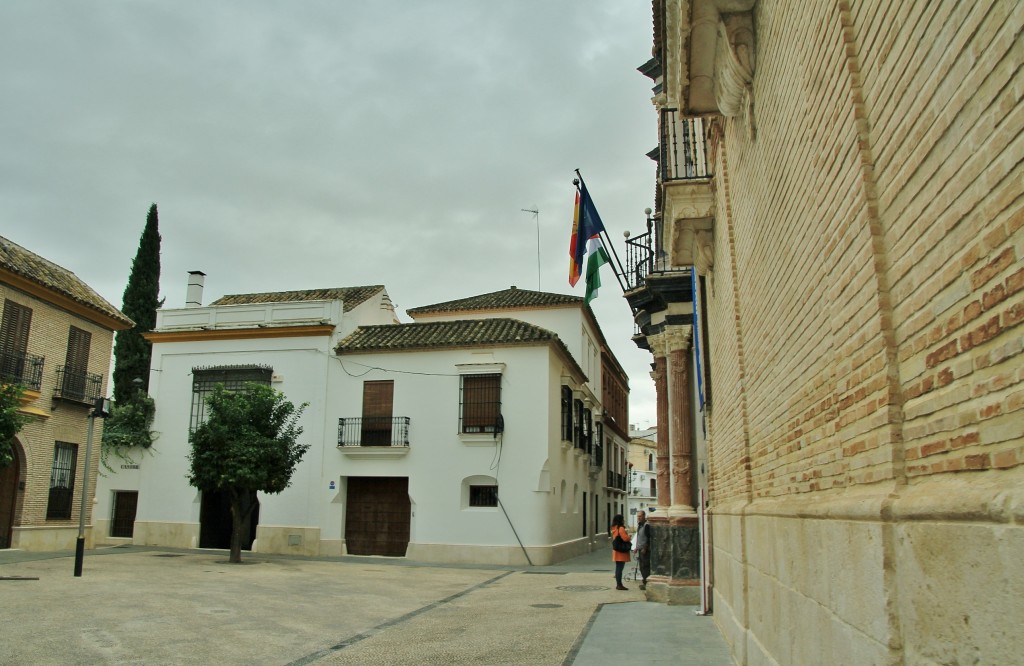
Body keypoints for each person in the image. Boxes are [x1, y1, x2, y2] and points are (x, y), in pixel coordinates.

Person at [609, 514, 631, 590]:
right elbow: (625, 538)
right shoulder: (621, 528)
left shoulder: (614, 528)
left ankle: (619, 584)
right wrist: (629, 537)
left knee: (618, 567)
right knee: (620, 568)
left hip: (616, 550)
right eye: (623, 519)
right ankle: (619, 584)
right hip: (621, 551)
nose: (624, 520)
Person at [635, 510, 651, 590]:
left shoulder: (646, 525)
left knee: (645, 566)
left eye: (640, 516)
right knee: (641, 567)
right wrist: (636, 547)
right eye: (638, 516)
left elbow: (648, 538)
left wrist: (645, 548)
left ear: (644, 516)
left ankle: (647, 583)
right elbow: (639, 537)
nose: (638, 518)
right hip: (640, 550)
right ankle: (644, 581)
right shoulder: (639, 525)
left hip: (645, 550)